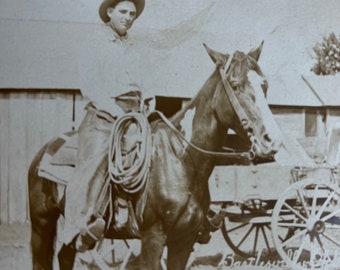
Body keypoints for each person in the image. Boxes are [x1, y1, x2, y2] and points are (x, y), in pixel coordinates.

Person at [61, 0, 146, 252]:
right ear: (109, 12)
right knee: (97, 159)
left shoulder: (134, 47)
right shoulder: (94, 43)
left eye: (132, 13)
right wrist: (116, 111)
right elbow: (90, 86)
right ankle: (82, 226)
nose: (128, 17)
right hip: (104, 113)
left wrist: (147, 99)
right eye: (123, 12)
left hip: (135, 112)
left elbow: (142, 81)